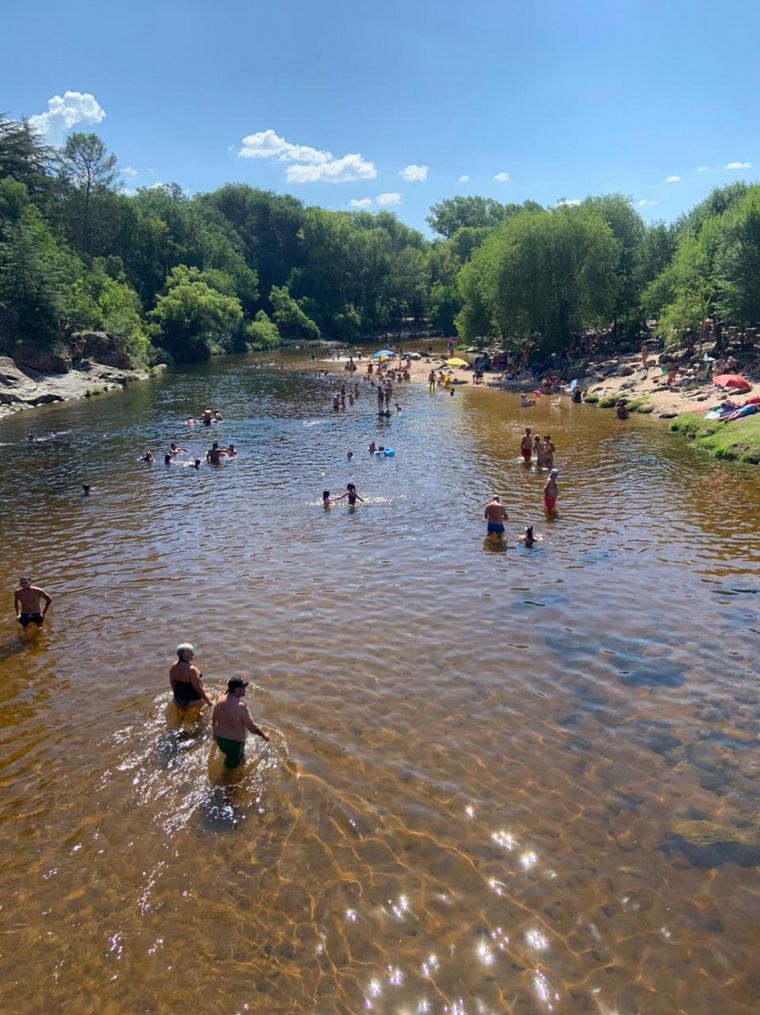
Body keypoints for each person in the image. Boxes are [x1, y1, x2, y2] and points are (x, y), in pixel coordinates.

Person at [212, 677, 269, 769]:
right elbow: (251, 727)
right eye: (243, 687)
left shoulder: (220, 700)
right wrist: (263, 735)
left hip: (220, 740)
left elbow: (214, 719)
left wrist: (214, 734)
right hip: (234, 744)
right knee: (230, 770)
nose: (245, 689)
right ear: (236, 690)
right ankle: (222, 781)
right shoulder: (241, 706)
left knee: (237, 760)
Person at [169, 643, 212, 711]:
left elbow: (172, 682)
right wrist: (208, 701)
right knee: (212, 697)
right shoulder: (192, 670)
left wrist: (178, 695)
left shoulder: (174, 666)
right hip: (192, 701)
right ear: (185, 655)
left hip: (177, 700)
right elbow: (198, 688)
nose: (193, 654)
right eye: (191, 652)